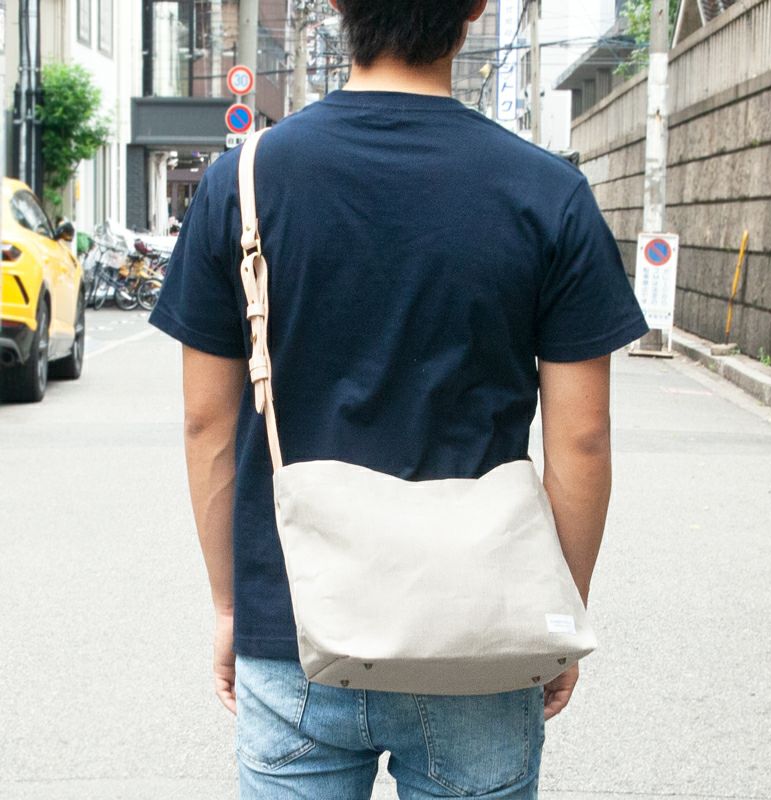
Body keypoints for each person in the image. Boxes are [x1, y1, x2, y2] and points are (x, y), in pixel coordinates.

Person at [148, 0, 649, 796]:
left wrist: (231, 608)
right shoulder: (548, 192)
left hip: (295, 626)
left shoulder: (241, 183)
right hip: (483, 632)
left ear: (336, 4)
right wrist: (557, 613)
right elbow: (582, 442)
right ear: (476, 7)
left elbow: (206, 423)